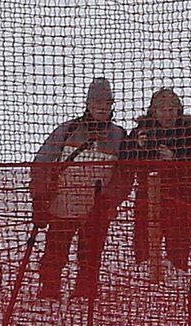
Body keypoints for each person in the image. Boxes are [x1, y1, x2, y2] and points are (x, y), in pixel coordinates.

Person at [30, 77, 127, 300]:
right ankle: (49, 289)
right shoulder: (67, 130)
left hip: (97, 208)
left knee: (91, 254)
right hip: (62, 204)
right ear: (88, 104)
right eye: (97, 102)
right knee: (55, 251)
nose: (102, 107)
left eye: (107, 103)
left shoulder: (120, 136)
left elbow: (124, 175)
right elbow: (42, 163)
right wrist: (40, 196)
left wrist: (110, 200)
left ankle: (85, 290)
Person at [117, 88, 191, 278]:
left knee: (179, 252)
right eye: (162, 110)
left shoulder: (190, 134)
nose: (167, 115)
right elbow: (125, 166)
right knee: (145, 251)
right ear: (154, 111)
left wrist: (176, 160)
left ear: (178, 111)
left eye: (171, 110)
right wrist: (137, 147)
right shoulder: (141, 132)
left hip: (181, 202)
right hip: (148, 202)